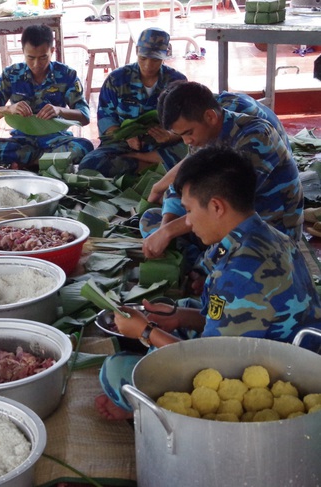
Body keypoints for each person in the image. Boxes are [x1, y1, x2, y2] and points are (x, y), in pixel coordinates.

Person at [95, 146, 321, 421]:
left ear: (216, 206)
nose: (186, 221)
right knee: (177, 309)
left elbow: (212, 369)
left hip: (271, 377)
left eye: (189, 210)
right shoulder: (264, 235)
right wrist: (177, 319)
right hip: (265, 343)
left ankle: (143, 413)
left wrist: (146, 332)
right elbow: (221, 313)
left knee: (116, 371)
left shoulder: (241, 274)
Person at [141, 81, 303, 261]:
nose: (187, 141)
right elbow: (185, 184)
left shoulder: (256, 137)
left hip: (266, 227)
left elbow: (223, 206)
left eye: (188, 132)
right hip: (219, 220)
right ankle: (198, 262)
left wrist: (169, 231)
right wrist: (165, 227)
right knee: (152, 219)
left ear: (210, 116)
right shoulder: (203, 137)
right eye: (181, 136)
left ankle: (201, 264)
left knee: (234, 272)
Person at [0, 24, 94, 169]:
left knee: (85, 147)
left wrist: (59, 110)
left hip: (56, 139)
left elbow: (84, 116)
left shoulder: (66, 74)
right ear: (23, 52)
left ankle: (26, 163)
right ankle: (47, 162)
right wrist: (9, 109)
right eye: (30, 57)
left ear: (52, 51)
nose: (36, 64)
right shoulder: (12, 74)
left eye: (43, 57)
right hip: (22, 140)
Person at [79, 27, 188, 177]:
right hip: (124, 144)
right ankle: (155, 167)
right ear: (137, 51)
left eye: (156, 59)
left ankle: (139, 164)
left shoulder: (176, 81)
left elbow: (188, 122)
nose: (148, 65)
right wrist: (126, 136)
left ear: (165, 56)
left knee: (198, 153)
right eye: (143, 58)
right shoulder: (117, 79)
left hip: (162, 145)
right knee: (89, 164)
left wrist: (170, 135)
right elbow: (106, 119)